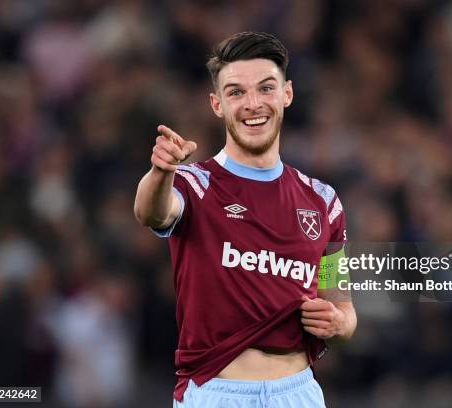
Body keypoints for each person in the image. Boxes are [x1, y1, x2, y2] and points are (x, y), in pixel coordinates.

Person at [134, 31, 356, 408]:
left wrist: (339, 324)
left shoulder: (323, 201)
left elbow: (342, 306)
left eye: (266, 88)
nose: (253, 104)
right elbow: (151, 211)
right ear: (217, 104)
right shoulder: (194, 184)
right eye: (236, 92)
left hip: (298, 392)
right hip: (217, 393)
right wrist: (161, 171)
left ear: (286, 94)